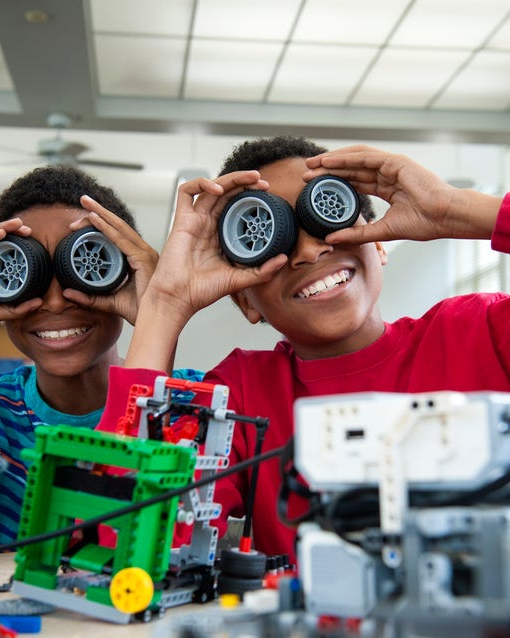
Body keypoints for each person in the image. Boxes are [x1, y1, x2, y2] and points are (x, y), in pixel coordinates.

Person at [96, 136, 510, 564]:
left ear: (380, 242)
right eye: (269, 238)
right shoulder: (240, 395)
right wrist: (164, 305)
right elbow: (126, 544)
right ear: (244, 301)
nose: (311, 251)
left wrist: (457, 209)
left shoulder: (481, 333)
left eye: (328, 215)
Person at [0, 164, 202, 552]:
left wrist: (159, 314)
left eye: (86, 267)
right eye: (25, 274)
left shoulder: (193, 404)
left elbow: (126, 532)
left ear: (125, 273)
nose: (53, 301)